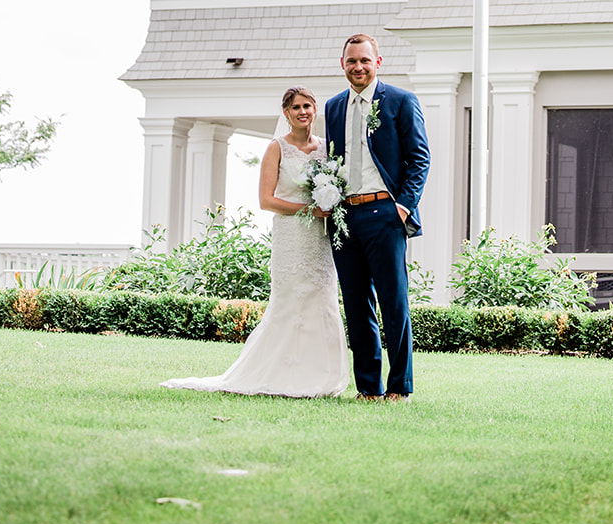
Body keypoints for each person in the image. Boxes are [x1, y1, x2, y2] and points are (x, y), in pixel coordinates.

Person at [159, 85, 349, 398]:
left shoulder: (325, 149)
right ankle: (278, 373)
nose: (303, 112)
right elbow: (266, 200)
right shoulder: (276, 148)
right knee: (290, 302)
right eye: (296, 107)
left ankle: (318, 375)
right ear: (286, 113)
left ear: (316, 110)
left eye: (308, 106)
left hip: (319, 237)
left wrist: (328, 204)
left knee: (321, 299)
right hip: (291, 234)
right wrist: (308, 209)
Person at [324, 33, 430, 401]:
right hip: (345, 217)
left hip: (385, 213)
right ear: (343, 65)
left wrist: (401, 206)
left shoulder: (401, 101)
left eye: (365, 61)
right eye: (352, 61)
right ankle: (368, 387)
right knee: (356, 304)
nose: (358, 67)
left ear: (377, 63)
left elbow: (420, 159)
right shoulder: (333, 107)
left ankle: (400, 387)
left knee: (394, 302)